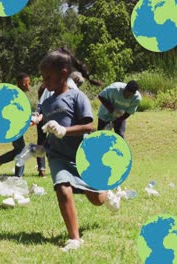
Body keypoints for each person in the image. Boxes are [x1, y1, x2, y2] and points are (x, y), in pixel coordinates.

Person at [38, 47, 120, 252]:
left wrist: (64, 130)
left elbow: (88, 126)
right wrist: (40, 146)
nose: (44, 82)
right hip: (57, 156)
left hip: (82, 156)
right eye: (43, 77)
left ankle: (106, 193)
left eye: (48, 77)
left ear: (63, 73)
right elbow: (48, 127)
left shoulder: (77, 97)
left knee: (96, 199)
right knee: (62, 188)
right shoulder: (47, 103)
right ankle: (74, 239)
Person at [33, 72, 88, 176]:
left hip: (46, 115)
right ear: (75, 81)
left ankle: (42, 168)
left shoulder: (56, 85)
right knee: (50, 140)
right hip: (50, 115)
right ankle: (45, 166)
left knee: (44, 140)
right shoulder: (71, 87)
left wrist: (38, 114)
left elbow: (41, 103)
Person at [0, 72, 31, 178]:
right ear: (22, 83)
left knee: (19, 150)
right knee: (21, 150)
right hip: (13, 126)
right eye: (27, 83)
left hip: (16, 126)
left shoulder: (18, 94)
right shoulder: (15, 94)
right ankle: (18, 177)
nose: (28, 85)